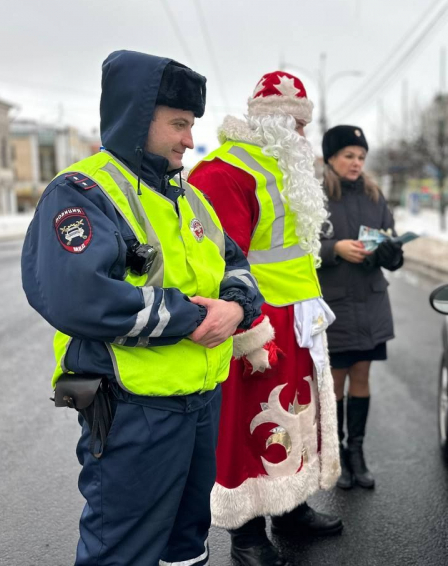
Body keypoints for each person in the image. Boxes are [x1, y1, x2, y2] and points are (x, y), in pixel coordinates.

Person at [20, 50, 264, 566]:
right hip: (134, 409)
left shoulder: (191, 198)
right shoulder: (84, 192)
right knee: (123, 551)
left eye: (191, 124)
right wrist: (199, 318)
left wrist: (237, 310)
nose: (189, 139)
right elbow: (80, 298)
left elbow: (237, 268)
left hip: (200, 403)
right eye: (178, 123)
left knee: (187, 544)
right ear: (137, 117)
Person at [188, 71, 342, 566]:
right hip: (255, 327)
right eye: (295, 124)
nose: (302, 136)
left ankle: (290, 506)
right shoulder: (224, 171)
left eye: (304, 125)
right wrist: (249, 336)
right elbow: (216, 267)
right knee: (247, 425)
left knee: (295, 417)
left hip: (297, 322)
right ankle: (246, 532)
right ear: (269, 119)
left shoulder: (283, 167)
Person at [317, 125, 404, 490]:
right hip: (333, 304)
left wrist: (388, 250)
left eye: (361, 157)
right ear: (331, 158)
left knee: (363, 377)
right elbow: (299, 246)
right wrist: (333, 249)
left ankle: (357, 452)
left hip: (369, 301)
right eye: (349, 156)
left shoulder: (374, 195)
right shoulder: (316, 196)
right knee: (335, 382)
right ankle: (336, 454)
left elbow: (394, 254)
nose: (356, 163)